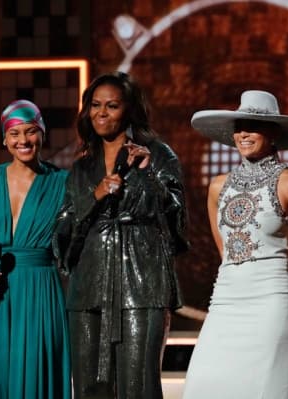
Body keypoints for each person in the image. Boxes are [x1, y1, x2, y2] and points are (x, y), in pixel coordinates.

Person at [52, 72, 189, 399]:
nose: (101, 113)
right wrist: (94, 197)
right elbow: (62, 231)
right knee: (88, 385)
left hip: (142, 281)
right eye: (95, 105)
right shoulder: (82, 168)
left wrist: (148, 175)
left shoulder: (157, 154)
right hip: (89, 285)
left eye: (111, 105)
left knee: (138, 384)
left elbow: (178, 217)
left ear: (128, 110)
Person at [182, 90, 288, 398]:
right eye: (239, 126)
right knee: (202, 386)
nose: (244, 133)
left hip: (274, 301)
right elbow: (226, 251)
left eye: (253, 125)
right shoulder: (218, 186)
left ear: (274, 132)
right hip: (226, 299)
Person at [0, 99, 72, 399]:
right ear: (5, 139)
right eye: (15, 133)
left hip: (39, 293)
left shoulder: (62, 183)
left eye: (30, 131)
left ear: (42, 133)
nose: (23, 140)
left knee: (34, 377)